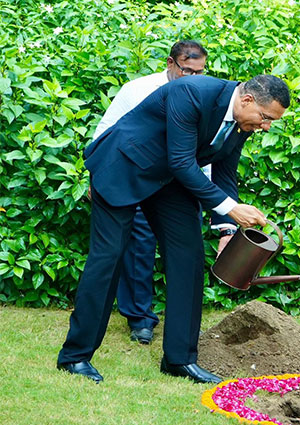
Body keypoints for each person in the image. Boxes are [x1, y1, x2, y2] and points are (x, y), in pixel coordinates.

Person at [57, 74, 290, 383]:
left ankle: (180, 359)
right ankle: (75, 357)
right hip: (126, 166)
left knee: (189, 258)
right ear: (247, 100)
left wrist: (226, 228)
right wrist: (231, 208)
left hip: (168, 179)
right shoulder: (191, 93)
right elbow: (181, 161)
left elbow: (224, 169)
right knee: (108, 259)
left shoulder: (242, 120)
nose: (266, 126)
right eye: (265, 118)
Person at [92, 40, 234, 346]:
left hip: (178, 183)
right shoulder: (137, 89)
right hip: (134, 178)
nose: (194, 77)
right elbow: (109, 131)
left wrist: (222, 217)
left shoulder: (207, 97)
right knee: (136, 249)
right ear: (171, 63)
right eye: (187, 70)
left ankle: (180, 348)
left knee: (186, 250)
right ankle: (140, 318)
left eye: (200, 71)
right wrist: (100, 176)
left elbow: (208, 157)